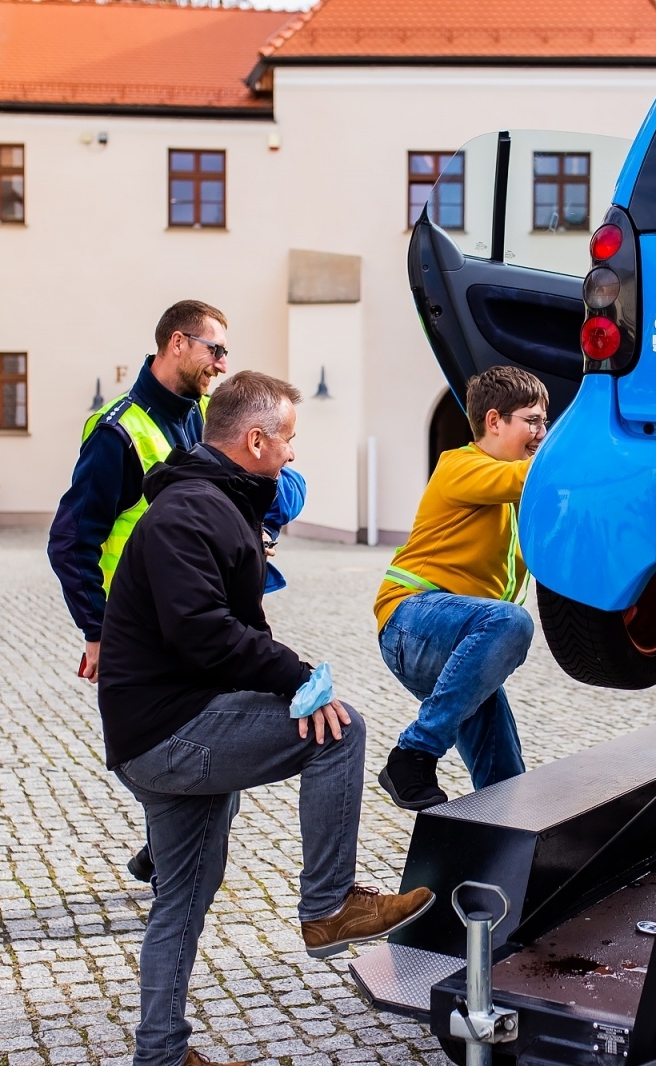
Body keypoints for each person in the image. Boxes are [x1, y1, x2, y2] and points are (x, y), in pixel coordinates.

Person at [98, 371, 432, 1066]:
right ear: (255, 439)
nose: (291, 456)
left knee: (182, 898)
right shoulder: (192, 510)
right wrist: (300, 678)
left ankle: (159, 1054)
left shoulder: (213, 503)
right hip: (171, 731)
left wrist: (282, 678)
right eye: (287, 441)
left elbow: (219, 630)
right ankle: (329, 905)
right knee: (342, 729)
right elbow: (201, 630)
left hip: (165, 723)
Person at [48, 300, 305, 883]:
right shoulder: (118, 432)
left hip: (189, 612)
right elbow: (70, 542)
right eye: (214, 348)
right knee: (178, 742)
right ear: (177, 344)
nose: (220, 362)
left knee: (208, 744)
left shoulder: (197, 419)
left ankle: (164, 853)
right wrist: (98, 630)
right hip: (142, 624)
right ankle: (169, 854)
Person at [373, 366, 548, 810]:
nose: (541, 432)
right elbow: (528, 477)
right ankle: (413, 754)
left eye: (544, 422)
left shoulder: (515, 505)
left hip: (465, 644)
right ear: (494, 421)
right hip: (409, 622)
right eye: (532, 420)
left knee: (505, 778)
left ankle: (495, 861)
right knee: (512, 621)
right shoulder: (461, 465)